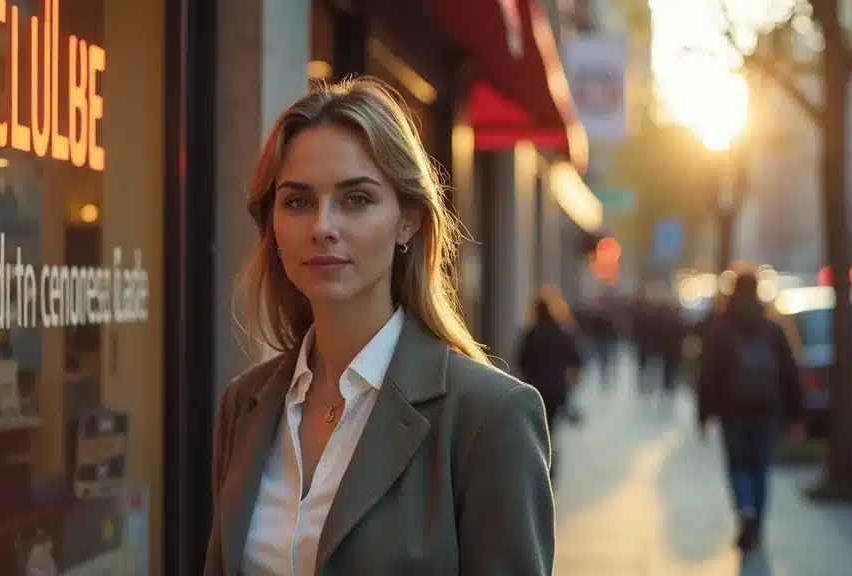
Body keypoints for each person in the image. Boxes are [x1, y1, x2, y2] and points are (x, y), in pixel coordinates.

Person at [204, 77, 554, 576]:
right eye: (298, 201)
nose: (322, 226)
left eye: (356, 199)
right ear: (272, 225)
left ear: (408, 220)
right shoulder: (246, 404)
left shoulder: (489, 416)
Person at [696, 272, 804, 553]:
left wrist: (703, 414)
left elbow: (708, 374)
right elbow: (790, 372)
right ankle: (757, 521)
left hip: (732, 410)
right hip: (767, 409)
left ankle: (744, 510)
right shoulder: (772, 327)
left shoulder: (720, 329)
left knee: (737, 466)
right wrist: (796, 413)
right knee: (760, 469)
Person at [516, 286, 585, 482]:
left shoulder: (531, 334)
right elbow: (577, 361)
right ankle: (551, 471)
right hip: (556, 390)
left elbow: (520, 362)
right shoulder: (563, 333)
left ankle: (538, 467)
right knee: (552, 430)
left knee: (535, 430)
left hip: (534, 390)